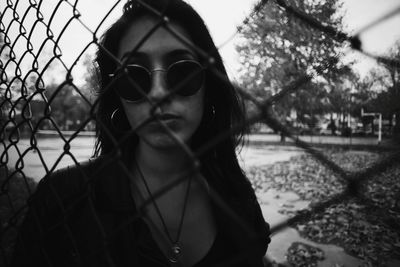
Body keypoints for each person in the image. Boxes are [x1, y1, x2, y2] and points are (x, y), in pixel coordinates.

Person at [11, 0, 270, 266]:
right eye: (134, 76)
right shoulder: (62, 200)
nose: (158, 93)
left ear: (209, 85)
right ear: (118, 97)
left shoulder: (237, 196)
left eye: (182, 71)